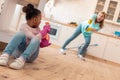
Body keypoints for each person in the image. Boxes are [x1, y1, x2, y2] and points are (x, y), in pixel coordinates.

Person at [0, 4, 42, 69]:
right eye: (40, 19)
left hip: (30, 56)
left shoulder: (38, 30)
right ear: (35, 19)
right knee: (20, 34)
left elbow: (37, 41)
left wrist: (43, 38)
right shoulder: (23, 27)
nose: (40, 21)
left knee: (36, 40)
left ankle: (21, 60)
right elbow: (31, 36)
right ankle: (5, 55)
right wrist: (41, 34)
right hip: (18, 53)